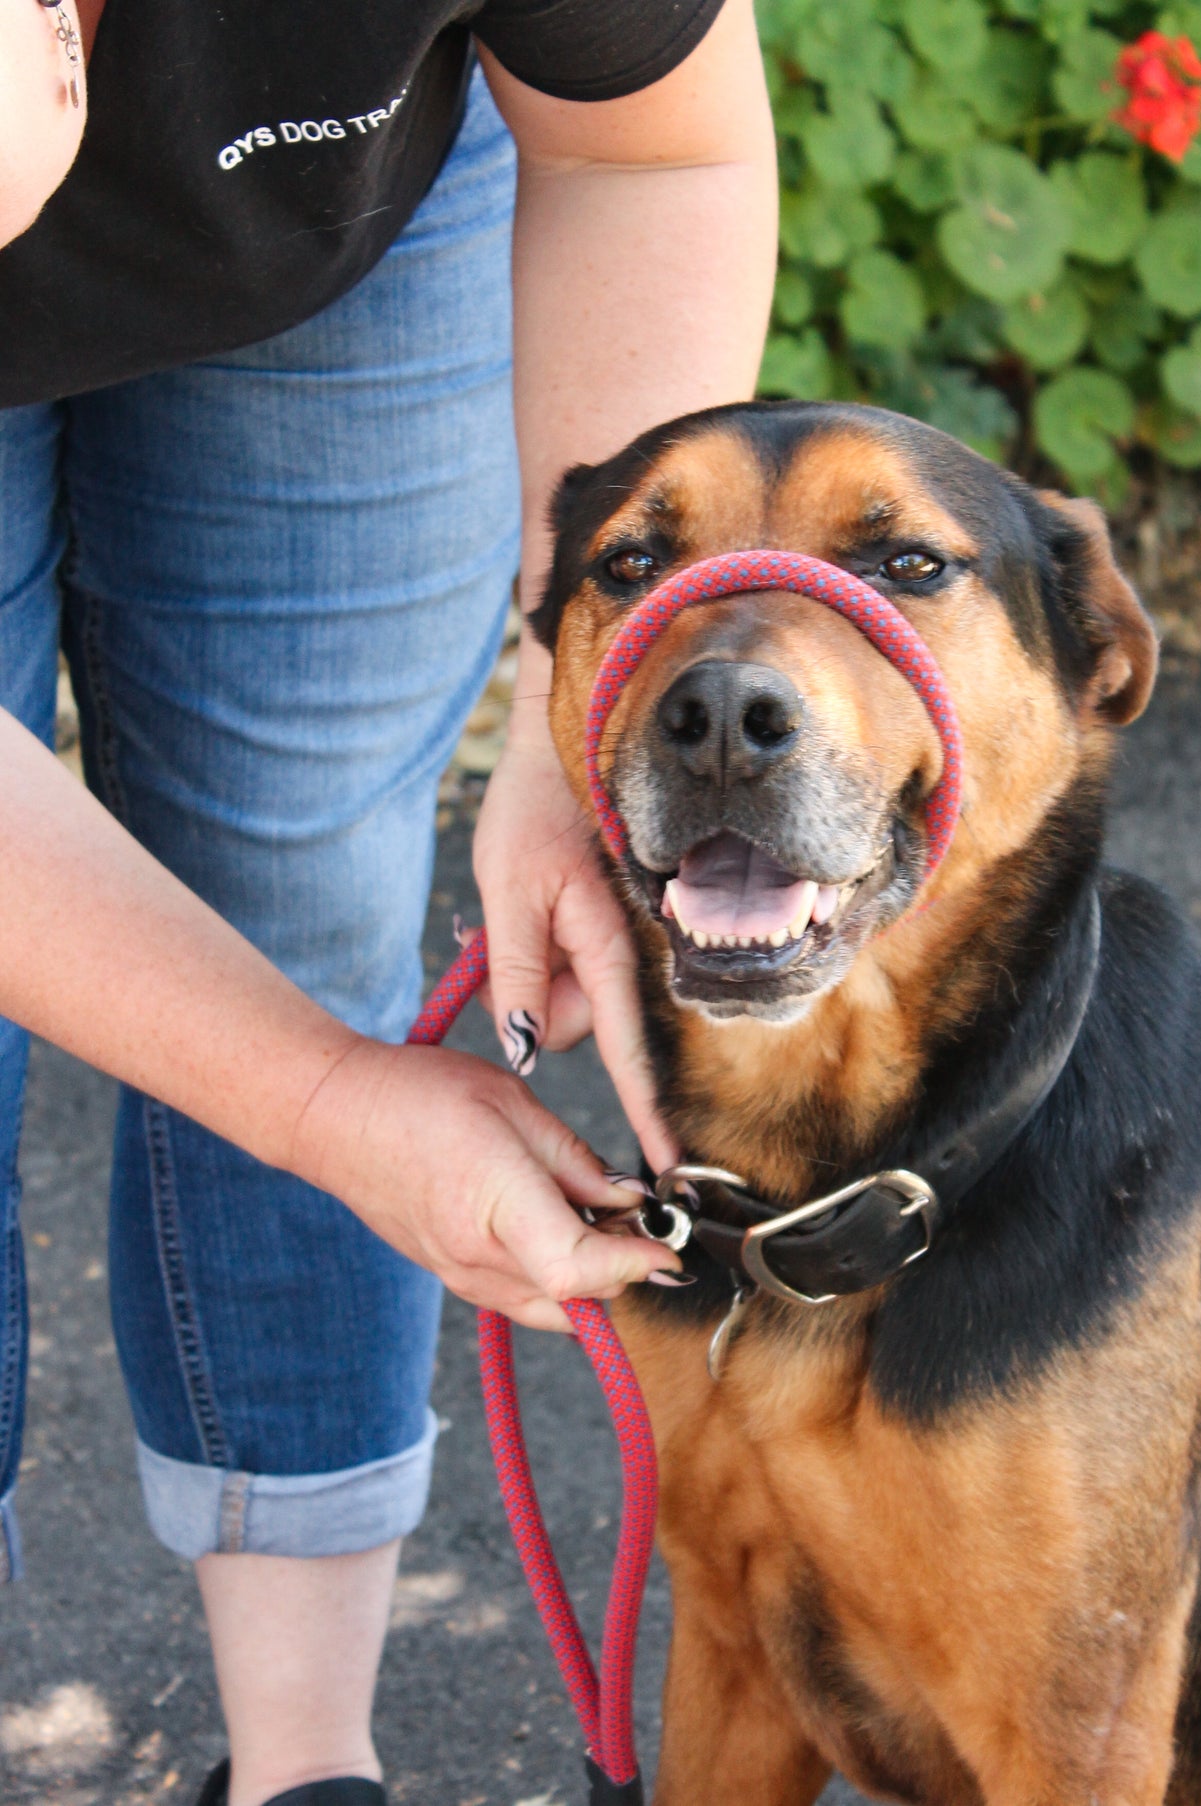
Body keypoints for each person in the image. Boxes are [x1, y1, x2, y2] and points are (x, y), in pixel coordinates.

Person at [0, 1, 776, 1800]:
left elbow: (655, 142)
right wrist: (331, 1107)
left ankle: (304, 1769)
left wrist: (588, 689)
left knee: (307, 905)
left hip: (340, 222)